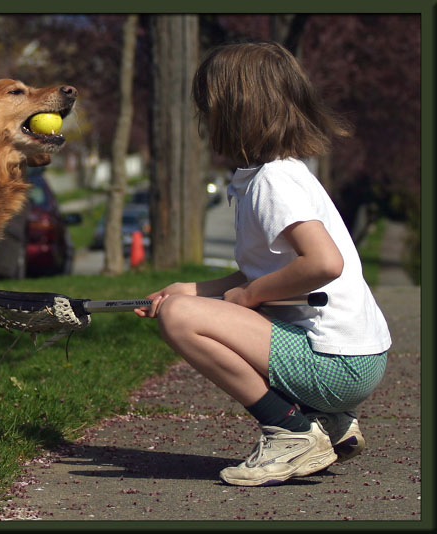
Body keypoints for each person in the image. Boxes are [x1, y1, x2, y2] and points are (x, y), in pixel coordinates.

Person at [135, 41, 391, 487]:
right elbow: (263, 272)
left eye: (208, 108)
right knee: (183, 305)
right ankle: (327, 422)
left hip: (337, 365)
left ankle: (292, 431)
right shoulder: (278, 174)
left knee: (178, 320)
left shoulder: (274, 182)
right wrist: (192, 290)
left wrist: (247, 298)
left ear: (236, 112)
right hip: (354, 358)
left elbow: (323, 263)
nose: (204, 119)